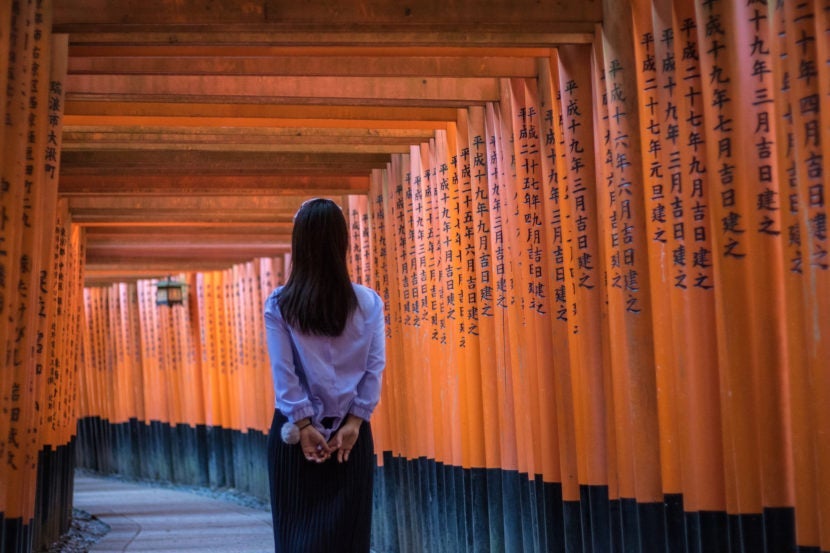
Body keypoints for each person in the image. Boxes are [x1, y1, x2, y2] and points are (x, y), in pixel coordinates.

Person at [263, 198, 386, 553]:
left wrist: (303, 426)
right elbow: (374, 367)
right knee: (348, 538)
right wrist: (355, 421)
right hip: (351, 437)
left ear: (298, 244)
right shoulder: (369, 303)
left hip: (294, 438)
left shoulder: (280, 303)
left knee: (295, 537)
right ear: (342, 242)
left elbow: (283, 372)